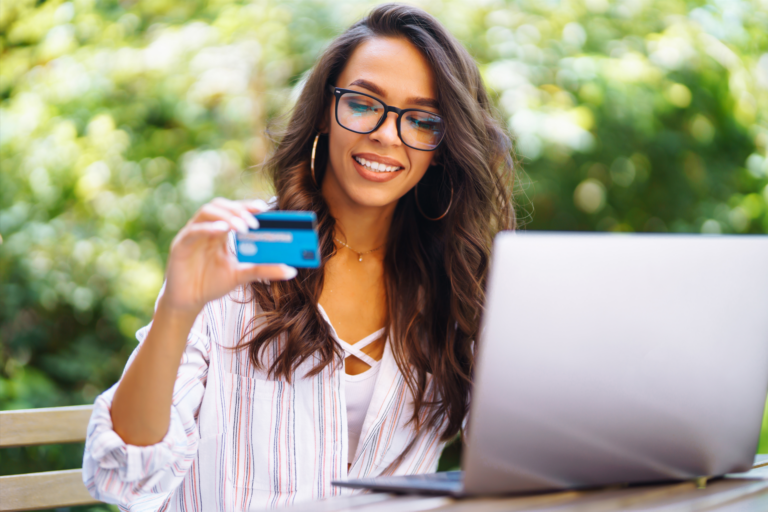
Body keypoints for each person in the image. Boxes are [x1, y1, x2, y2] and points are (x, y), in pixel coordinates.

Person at [82, 3, 517, 510]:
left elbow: (526, 453)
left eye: (421, 119)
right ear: (325, 113)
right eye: (362, 103)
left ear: (443, 145)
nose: (386, 133)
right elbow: (124, 479)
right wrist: (176, 310)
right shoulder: (245, 251)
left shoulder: (455, 282)